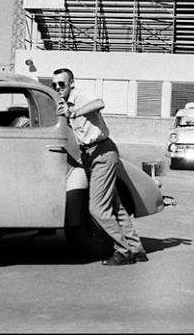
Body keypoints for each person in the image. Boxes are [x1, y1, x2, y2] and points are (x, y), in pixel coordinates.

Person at [52, 68, 147, 266]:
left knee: (97, 208)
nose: (58, 88)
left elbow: (99, 103)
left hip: (101, 152)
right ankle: (136, 248)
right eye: (54, 85)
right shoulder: (65, 103)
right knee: (116, 207)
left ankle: (123, 250)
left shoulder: (79, 96)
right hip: (90, 155)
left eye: (61, 83)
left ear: (71, 83)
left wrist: (74, 112)